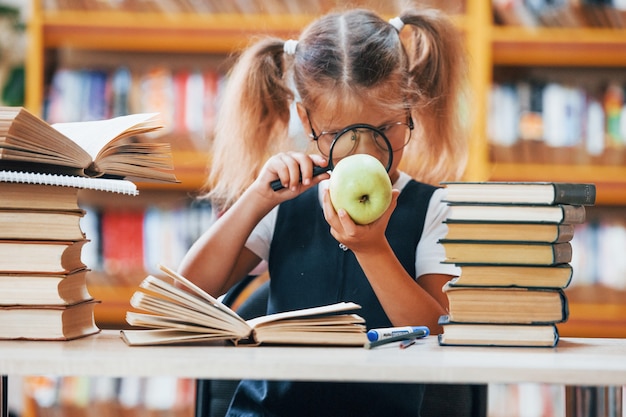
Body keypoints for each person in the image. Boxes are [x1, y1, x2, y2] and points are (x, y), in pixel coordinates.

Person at [179, 5, 470, 416]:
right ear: (307, 120)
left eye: (384, 128)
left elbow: (439, 332)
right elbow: (186, 294)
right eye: (339, 135)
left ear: (409, 110)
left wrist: (373, 250)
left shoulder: (431, 207)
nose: (366, 151)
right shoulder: (284, 201)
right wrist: (255, 199)